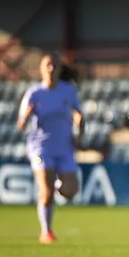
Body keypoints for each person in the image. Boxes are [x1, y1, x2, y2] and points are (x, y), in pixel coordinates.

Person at [17, 53, 83, 244]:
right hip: (40, 148)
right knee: (45, 190)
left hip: (64, 147)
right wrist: (26, 116)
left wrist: (79, 131)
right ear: (41, 69)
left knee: (70, 191)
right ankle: (46, 231)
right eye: (48, 65)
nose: (51, 69)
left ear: (60, 69)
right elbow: (20, 124)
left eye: (54, 65)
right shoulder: (34, 93)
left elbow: (78, 114)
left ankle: (55, 184)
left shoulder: (68, 90)